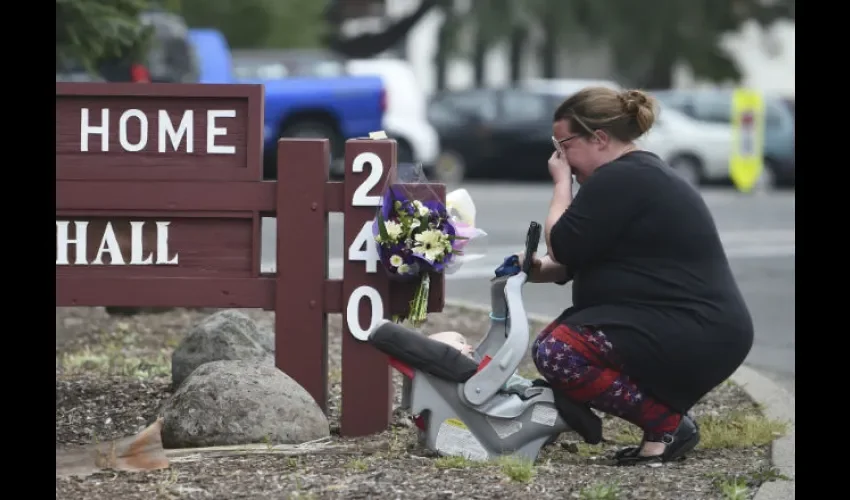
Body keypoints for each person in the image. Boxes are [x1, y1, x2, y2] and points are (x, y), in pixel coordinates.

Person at [515, 86, 754, 465]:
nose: (559, 158)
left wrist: (562, 184)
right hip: (695, 324)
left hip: (696, 327)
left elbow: (563, 244)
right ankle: (636, 420)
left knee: (560, 351)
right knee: (552, 345)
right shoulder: (632, 177)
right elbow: (568, 262)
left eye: (564, 145)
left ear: (600, 138)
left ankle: (666, 425)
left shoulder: (623, 178)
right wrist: (527, 268)